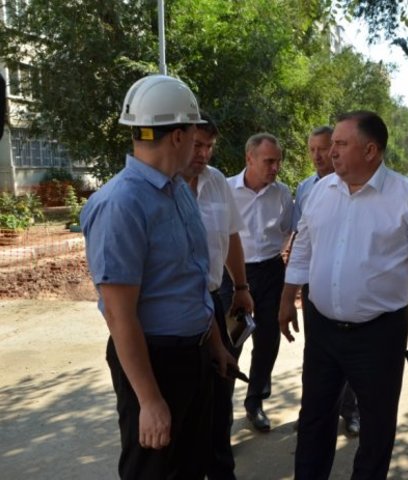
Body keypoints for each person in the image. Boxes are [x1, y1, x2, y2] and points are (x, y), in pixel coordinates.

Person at [81, 74, 236, 479]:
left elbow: (193, 278)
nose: (199, 145)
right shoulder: (121, 205)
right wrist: (149, 400)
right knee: (152, 472)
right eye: (194, 134)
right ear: (179, 136)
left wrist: (214, 344)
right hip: (154, 363)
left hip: (195, 355)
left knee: (193, 467)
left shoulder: (178, 189)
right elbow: (119, 315)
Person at [278, 110, 408, 480]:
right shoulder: (321, 192)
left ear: (371, 151)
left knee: (376, 426)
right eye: (332, 144)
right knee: (314, 418)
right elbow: (303, 248)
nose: (331, 152)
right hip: (322, 329)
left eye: (341, 144)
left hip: (379, 334)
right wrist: (288, 299)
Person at [179, 113, 254, 479]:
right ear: (179, 141)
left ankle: (222, 470)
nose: (203, 153)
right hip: (177, 309)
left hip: (213, 298)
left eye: (209, 146)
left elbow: (232, 235)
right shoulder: (165, 185)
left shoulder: (218, 182)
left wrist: (241, 287)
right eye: (198, 145)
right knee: (186, 400)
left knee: (221, 390)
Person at [291, 125, 360, 437]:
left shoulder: (356, 186)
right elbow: (300, 238)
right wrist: (291, 289)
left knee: (349, 352)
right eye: (312, 149)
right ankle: (314, 409)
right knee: (317, 352)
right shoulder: (306, 188)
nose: (318, 155)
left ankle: (351, 411)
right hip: (315, 284)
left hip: (347, 284)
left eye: (323, 148)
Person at [224, 133, 293, 432]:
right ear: (249, 158)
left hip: (271, 272)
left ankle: (255, 402)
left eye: (278, 161)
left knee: (267, 341)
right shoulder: (226, 190)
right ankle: (222, 411)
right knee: (230, 341)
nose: (275, 167)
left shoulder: (282, 193)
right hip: (232, 274)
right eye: (268, 161)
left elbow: (288, 231)